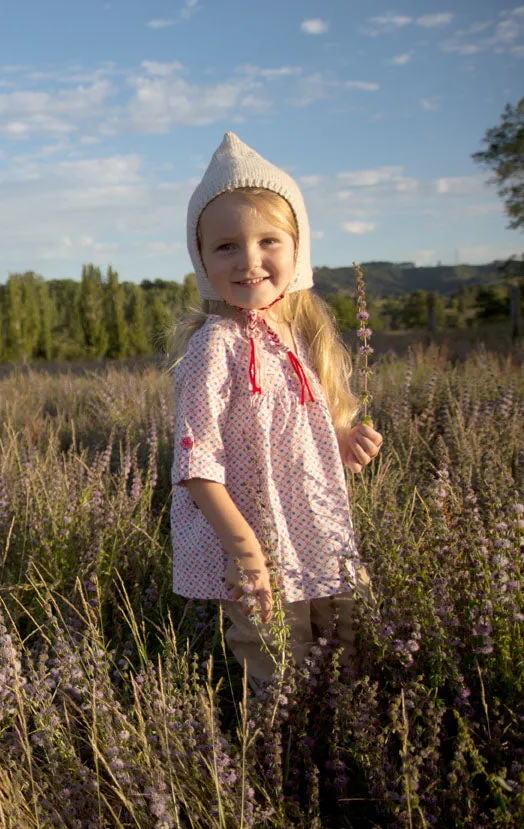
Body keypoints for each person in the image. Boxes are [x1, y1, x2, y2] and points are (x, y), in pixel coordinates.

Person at [170, 132, 383, 690]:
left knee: (344, 651)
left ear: (298, 250)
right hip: (256, 543)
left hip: (320, 532)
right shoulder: (215, 344)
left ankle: (337, 755)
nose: (250, 261)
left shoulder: (299, 336)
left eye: (269, 241)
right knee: (275, 666)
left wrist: (340, 440)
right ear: (201, 259)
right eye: (225, 247)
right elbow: (197, 463)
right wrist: (246, 552)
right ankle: (278, 765)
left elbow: (292, 432)